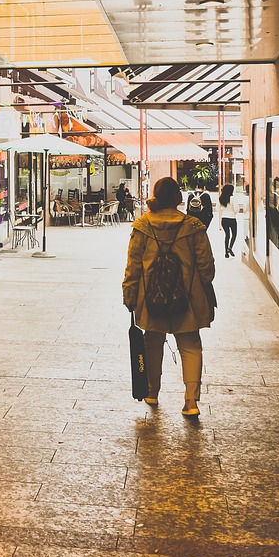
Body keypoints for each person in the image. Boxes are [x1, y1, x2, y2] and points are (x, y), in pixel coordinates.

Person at [122, 177, 216, 416]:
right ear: (177, 198)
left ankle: (152, 392)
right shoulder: (193, 227)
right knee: (190, 345)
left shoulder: (142, 226)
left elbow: (133, 266)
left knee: (153, 342)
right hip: (189, 299)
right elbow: (207, 268)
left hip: (151, 298)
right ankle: (191, 402)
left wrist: (130, 294)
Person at [217, 183, 237, 258]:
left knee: (227, 235)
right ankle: (230, 247)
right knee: (234, 234)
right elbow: (236, 209)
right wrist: (234, 212)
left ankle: (226, 252)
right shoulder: (233, 199)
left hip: (224, 218)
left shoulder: (220, 198)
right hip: (232, 218)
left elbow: (217, 209)